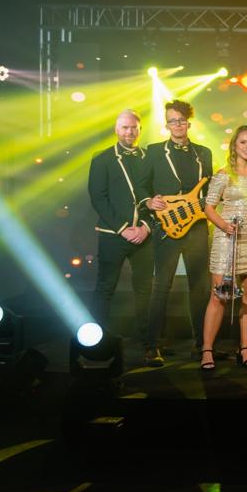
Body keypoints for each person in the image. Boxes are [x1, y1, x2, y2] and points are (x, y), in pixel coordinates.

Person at [80, 109, 157, 364]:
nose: (130, 132)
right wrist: (124, 228)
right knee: (105, 289)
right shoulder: (102, 159)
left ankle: (149, 345)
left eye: (134, 127)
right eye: (125, 127)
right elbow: (98, 198)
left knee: (145, 290)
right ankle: (95, 344)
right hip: (113, 235)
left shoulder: (149, 157)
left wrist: (145, 226)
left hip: (144, 235)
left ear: (140, 130)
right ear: (116, 129)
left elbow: (156, 197)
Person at [144, 100, 215, 359]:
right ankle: (153, 345)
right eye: (173, 120)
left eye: (182, 120)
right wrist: (149, 201)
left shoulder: (203, 153)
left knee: (199, 287)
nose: (177, 125)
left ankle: (203, 345)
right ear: (166, 124)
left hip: (196, 227)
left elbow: (207, 192)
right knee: (162, 286)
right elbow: (142, 186)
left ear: (189, 123)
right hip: (167, 226)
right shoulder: (153, 152)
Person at [200, 126, 247, 370]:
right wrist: (224, 225)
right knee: (218, 296)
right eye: (243, 142)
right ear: (235, 145)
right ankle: (207, 350)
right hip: (227, 240)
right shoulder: (224, 174)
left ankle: (245, 349)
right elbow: (209, 207)